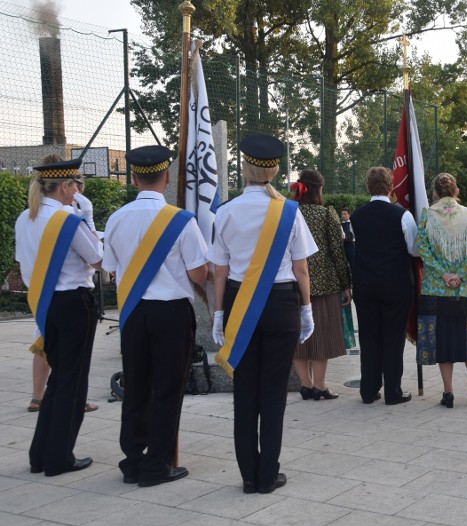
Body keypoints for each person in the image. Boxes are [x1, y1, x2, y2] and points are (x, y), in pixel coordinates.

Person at [209, 134, 317, 493]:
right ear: (273, 171)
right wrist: (306, 309)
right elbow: (301, 269)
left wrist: (219, 314)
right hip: (282, 303)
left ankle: (248, 475)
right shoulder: (290, 211)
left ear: (244, 168)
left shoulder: (224, 212)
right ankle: (269, 474)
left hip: (241, 304)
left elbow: (219, 272)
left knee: (245, 392)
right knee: (273, 393)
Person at [103, 145, 208, 487]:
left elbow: (112, 270)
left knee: (136, 387)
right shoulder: (181, 220)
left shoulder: (116, 219)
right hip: (172, 313)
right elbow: (198, 274)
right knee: (167, 389)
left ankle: (133, 460)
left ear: (133, 178)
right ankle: (157, 465)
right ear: (166, 178)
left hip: (133, 313)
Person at [15, 156, 103, 477]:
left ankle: (40, 454)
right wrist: (88, 218)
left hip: (44, 301)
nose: (76, 190)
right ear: (67, 187)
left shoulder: (26, 217)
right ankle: (59, 457)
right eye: (75, 185)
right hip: (73, 303)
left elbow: (23, 260)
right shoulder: (68, 219)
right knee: (72, 381)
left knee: (57, 380)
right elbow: (98, 259)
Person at [416, 173, 467, 408]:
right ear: (456, 191)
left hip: (437, 290)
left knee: (443, 340)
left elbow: (423, 250)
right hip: (466, 289)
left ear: (435, 193)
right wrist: (460, 274)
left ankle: (448, 392)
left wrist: (443, 275)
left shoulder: (428, 214)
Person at [350, 166, 419, 405]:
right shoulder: (402, 215)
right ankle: (393, 390)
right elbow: (414, 249)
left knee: (369, 336)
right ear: (391, 187)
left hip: (365, 283)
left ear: (368, 187)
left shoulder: (357, 216)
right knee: (393, 336)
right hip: (395, 283)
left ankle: (368, 390)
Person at [290, 169, 352, 401]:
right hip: (325, 284)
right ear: (318, 189)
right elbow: (337, 252)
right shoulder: (326, 214)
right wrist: (346, 283)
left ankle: (305, 384)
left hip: (294, 284)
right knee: (322, 334)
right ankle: (320, 385)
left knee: (298, 335)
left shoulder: (288, 212)